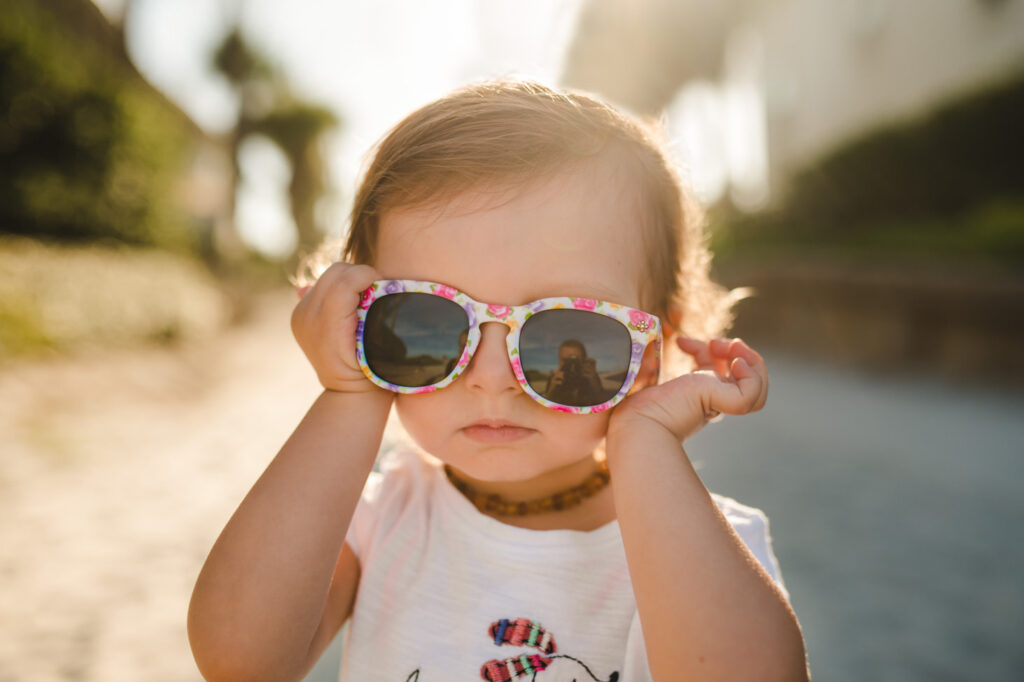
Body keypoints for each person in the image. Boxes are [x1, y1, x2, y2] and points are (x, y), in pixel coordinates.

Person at [187, 79, 808, 681]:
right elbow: (241, 661)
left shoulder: (701, 538)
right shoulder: (381, 519)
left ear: (655, 351)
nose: (491, 379)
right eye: (426, 319)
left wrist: (644, 441)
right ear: (361, 324)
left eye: (565, 331)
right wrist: (348, 395)